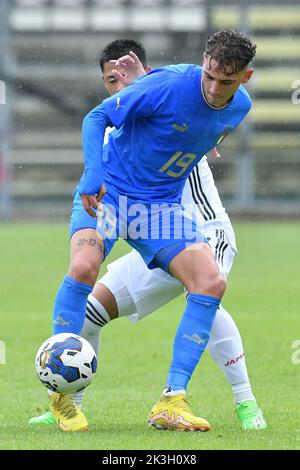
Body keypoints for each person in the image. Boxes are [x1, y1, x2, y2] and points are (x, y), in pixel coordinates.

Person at [32, 31, 260, 432]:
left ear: (246, 77)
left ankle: (172, 401)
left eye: (226, 81)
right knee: (84, 268)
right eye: (209, 75)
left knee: (209, 282)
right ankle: (62, 400)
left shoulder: (239, 106)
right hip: (111, 197)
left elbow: (198, 131)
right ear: (203, 62)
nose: (213, 88)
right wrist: (92, 173)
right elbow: (96, 116)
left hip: (159, 209)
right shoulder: (170, 83)